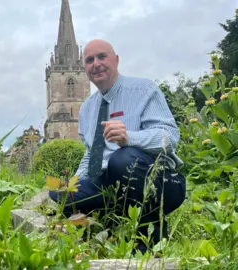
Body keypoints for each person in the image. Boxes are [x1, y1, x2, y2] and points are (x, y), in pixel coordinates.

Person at [49, 39, 186, 254]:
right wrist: (74, 184)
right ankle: (113, 224)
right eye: (90, 60)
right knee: (59, 194)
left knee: (122, 160)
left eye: (102, 57)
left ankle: (149, 242)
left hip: (161, 182)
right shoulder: (87, 109)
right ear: (84, 67)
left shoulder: (143, 90)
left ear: (116, 60)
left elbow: (170, 137)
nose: (96, 63)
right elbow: (91, 153)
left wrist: (129, 138)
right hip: (110, 185)